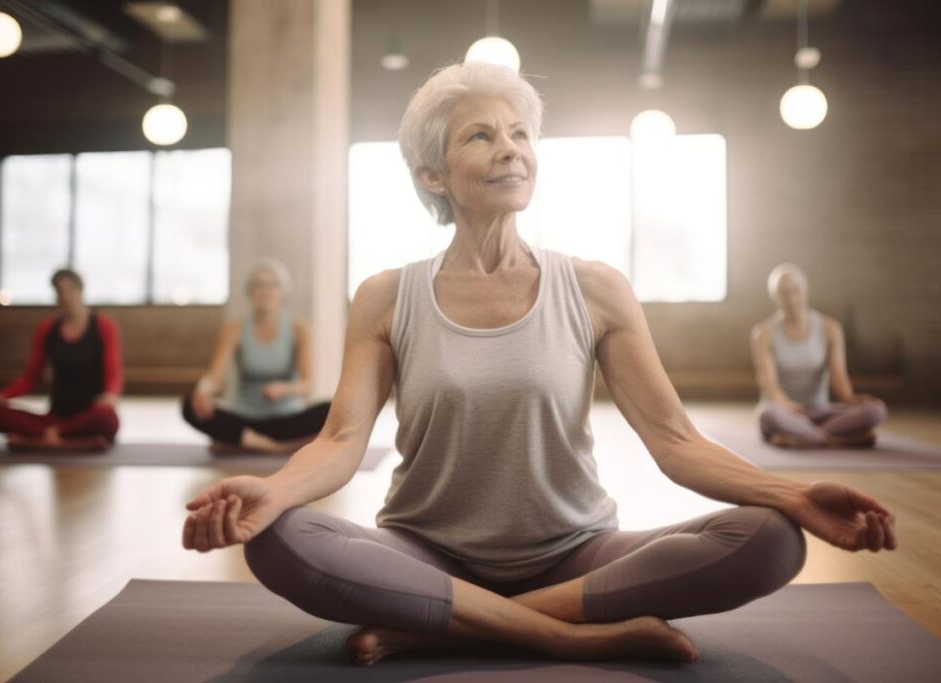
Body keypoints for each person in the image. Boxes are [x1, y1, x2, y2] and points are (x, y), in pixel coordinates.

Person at [181, 62, 897, 667]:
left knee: (772, 538)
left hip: (577, 551)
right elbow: (340, 442)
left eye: (521, 134)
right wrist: (272, 491)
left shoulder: (595, 288)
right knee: (276, 539)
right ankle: (569, 636)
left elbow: (676, 442)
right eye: (482, 135)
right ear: (432, 172)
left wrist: (794, 494)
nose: (512, 149)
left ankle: (443, 625)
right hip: (425, 552)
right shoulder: (385, 297)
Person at [181, 259, 331, 453]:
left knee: (331, 409)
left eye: (273, 285)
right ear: (250, 292)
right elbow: (215, 377)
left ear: (283, 292)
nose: (266, 291)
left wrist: (284, 389)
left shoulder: (299, 329)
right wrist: (202, 391)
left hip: (286, 417)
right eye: (259, 285)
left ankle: (238, 442)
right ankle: (272, 446)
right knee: (188, 405)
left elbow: (307, 383)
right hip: (244, 415)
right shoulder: (234, 329)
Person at [0, 268, 121, 450]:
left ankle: (38, 440)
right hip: (56, 417)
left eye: (69, 290)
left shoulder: (104, 327)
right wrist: (0, 396)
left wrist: (110, 396)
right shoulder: (46, 329)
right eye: (59, 291)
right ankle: (68, 440)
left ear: (80, 291)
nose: (64, 296)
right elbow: (30, 378)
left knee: (107, 418)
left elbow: (113, 373)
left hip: (90, 414)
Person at [751, 263, 889, 448]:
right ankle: (839, 439)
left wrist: (852, 399)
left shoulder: (830, 328)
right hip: (785, 413)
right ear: (774, 297)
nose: (791, 299)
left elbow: (839, 379)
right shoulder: (763, 333)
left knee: (876, 410)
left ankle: (804, 438)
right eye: (783, 293)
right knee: (767, 415)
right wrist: (785, 404)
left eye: (795, 291)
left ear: (805, 291)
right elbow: (768, 382)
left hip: (820, 412)